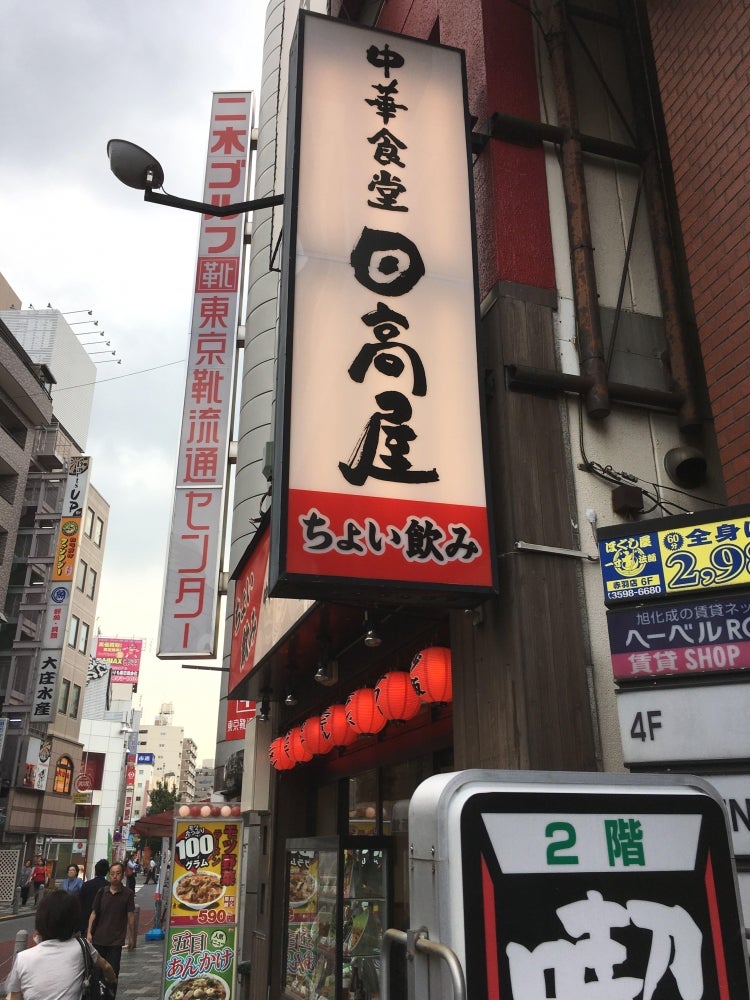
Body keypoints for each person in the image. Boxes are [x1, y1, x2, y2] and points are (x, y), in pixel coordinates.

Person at [5, 889, 116, 1000]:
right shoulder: (81, 947)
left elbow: (14, 996)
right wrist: (111, 984)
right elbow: (106, 966)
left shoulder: (23, 958)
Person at [87, 862, 136, 993]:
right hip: (98, 939)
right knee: (96, 973)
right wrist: (89, 933)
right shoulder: (102, 892)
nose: (115, 876)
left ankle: (110, 995)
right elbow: (94, 913)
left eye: (118, 873)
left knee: (113, 974)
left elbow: (131, 916)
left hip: (116, 941)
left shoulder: (128, 894)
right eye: (112, 873)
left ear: (123, 874)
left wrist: (132, 937)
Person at [79, 859, 109, 937]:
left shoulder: (86, 885)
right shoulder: (109, 886)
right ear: (107, 872)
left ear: (95, 870)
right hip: (103, 922)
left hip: (86, 920)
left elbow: (80, 902)